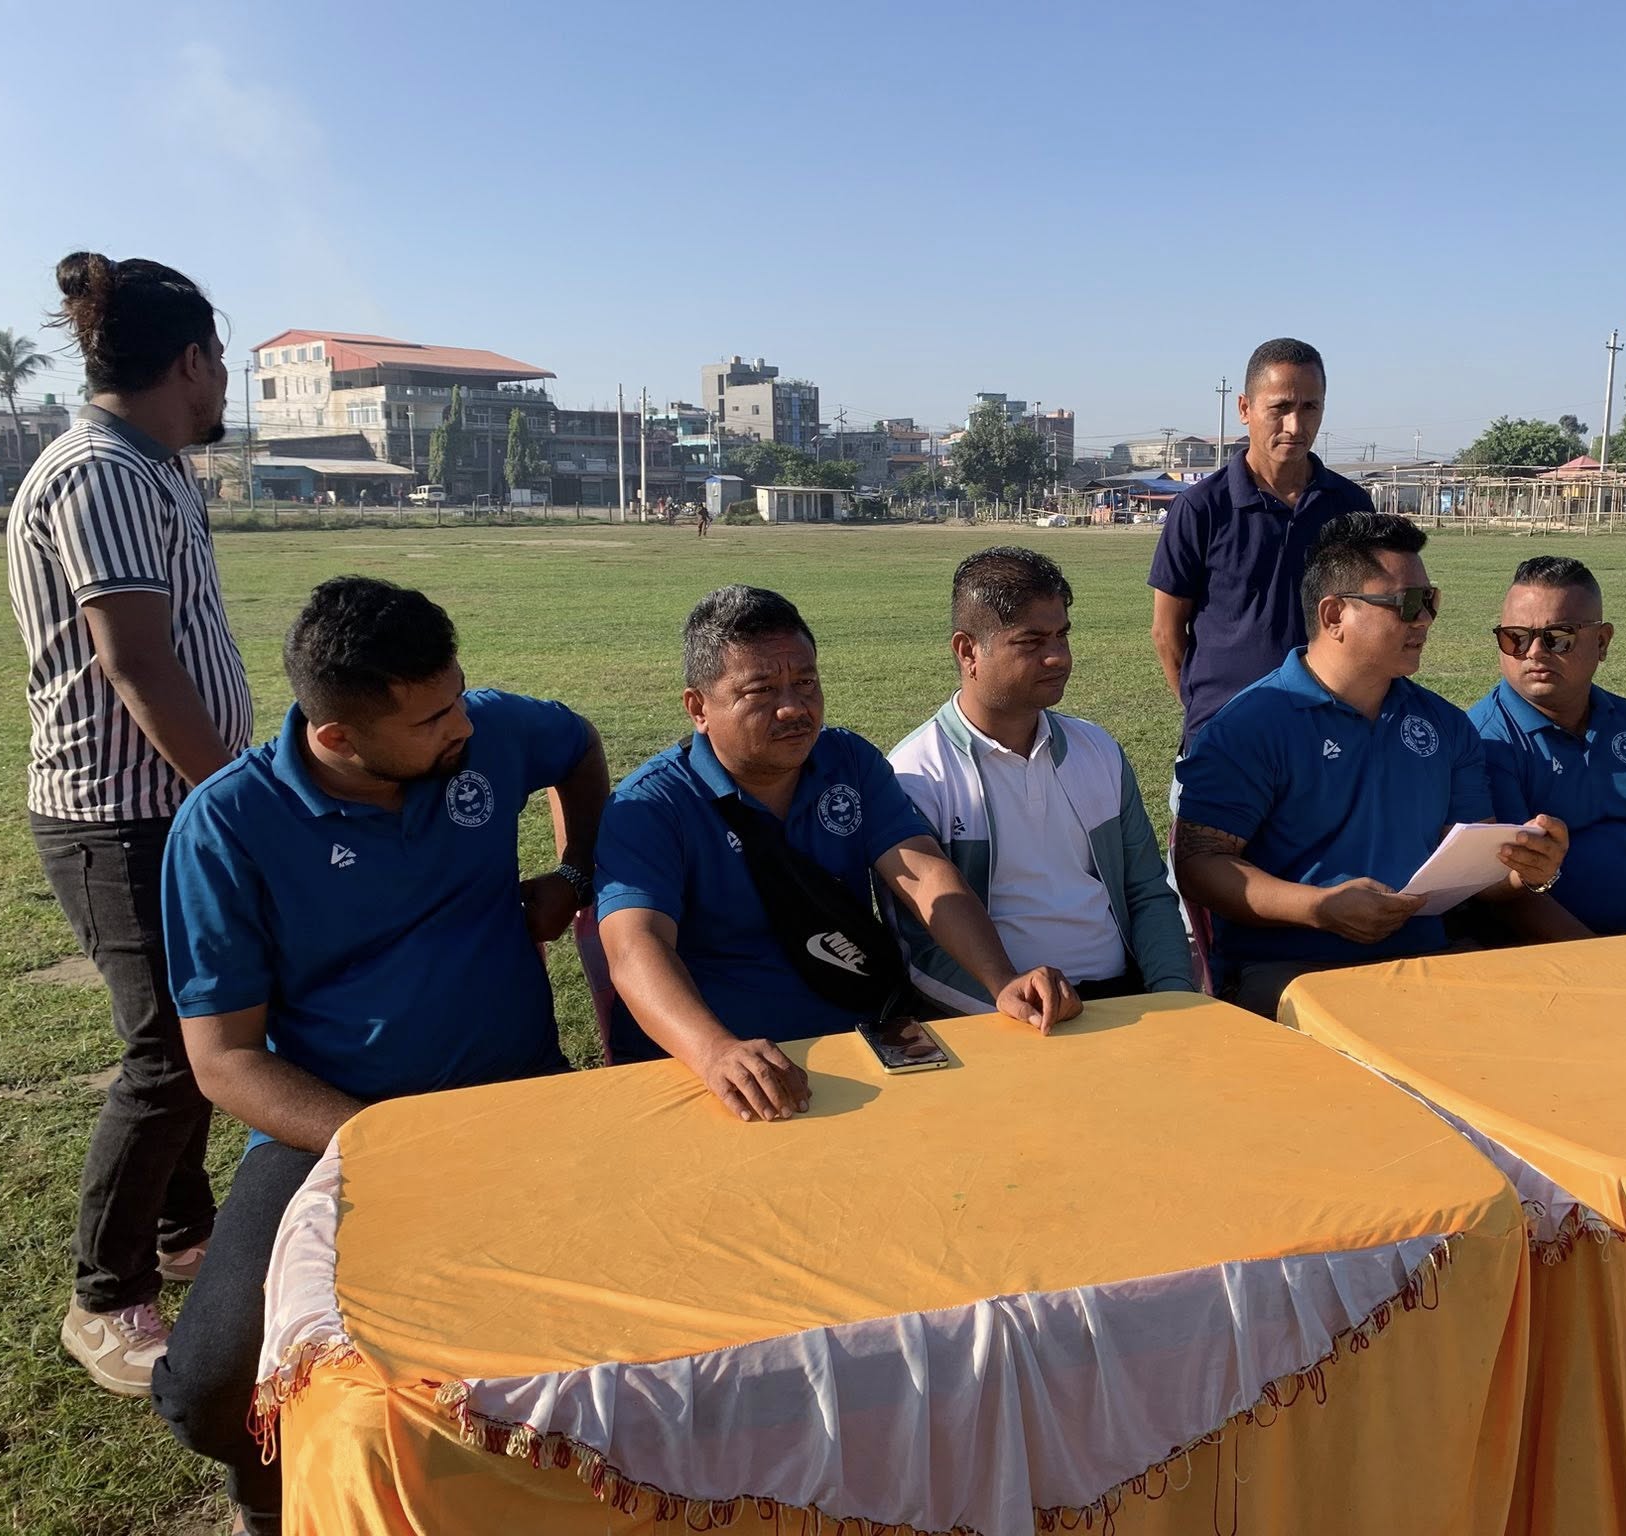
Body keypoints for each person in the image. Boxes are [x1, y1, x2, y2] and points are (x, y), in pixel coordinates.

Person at [150, 577, 609, 1536]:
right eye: (432, 718)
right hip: (335, 1134)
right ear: (337, 737)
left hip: (522, 1102)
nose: (463, 726)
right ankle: (277, 1501)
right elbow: (225, 1061)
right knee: (212, 1386)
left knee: (620, 1326)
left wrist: (574, 872)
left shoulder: (486, 733)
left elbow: (576, 747)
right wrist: (390, 1143)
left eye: (458, 696)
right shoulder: (230, 826)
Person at [5, 252, 252, 1397]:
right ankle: (103, 1301)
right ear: (190, 359)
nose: (224, 386)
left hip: (166, 804)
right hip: (120, 815)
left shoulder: (153, 468)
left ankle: (180, 1230)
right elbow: (138, 663)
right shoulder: (98, 473)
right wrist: (233, 799)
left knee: (195, 1028)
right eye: (221, 362)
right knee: (169, 1053)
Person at [595, 585, 1082, 1122]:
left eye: (806, 682)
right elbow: (635, 948)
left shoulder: (848, 762)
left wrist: (1001, 980)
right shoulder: (651, 806)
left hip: (862, 1041)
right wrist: (715, 1051)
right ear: (698, 708)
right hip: (715, 1070)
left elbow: (922, 871)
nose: (793, 708)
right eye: (761, 691)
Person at [1173, 513, 1570, 1018]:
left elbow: (1471, 866)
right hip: (1290, 969)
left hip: (1425, 961)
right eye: (1407, 603)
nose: (1424, 619)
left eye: (1431, 600)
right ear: (1334, 615)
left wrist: (1526, 871)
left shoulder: (1445, 725)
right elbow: (1200, 864)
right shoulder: (1250, 726)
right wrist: (1319, 909)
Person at [888, 548, 1190, 1012]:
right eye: (1030, 642)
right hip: (1001, 1016)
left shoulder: (1098, 750)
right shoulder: (915, 774)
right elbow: (922, 950)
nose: (1057, 658)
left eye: (1061, 636)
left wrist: (1175, 997)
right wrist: (1020, 1012)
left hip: (1124, 998)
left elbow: (1147, 891)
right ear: (968, 651)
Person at [1469, 556, 1626, 936]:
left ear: (1602, 642)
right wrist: (1604, 959)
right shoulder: (1485, 741)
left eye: (1558, 637)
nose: (1534, 651)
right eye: (1515, 638)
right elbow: (1507, 891)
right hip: (1553, 956)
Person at [1147, 337, 1374, 754]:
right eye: (1280, 407)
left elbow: (1367, 619)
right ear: (1244, 409)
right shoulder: (1200, 508)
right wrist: (1204, 710)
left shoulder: (1351, 506)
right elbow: (1166, 631)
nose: (1295, 426)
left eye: (1310, 407)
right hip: (1224, 736)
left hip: (1326, 730)